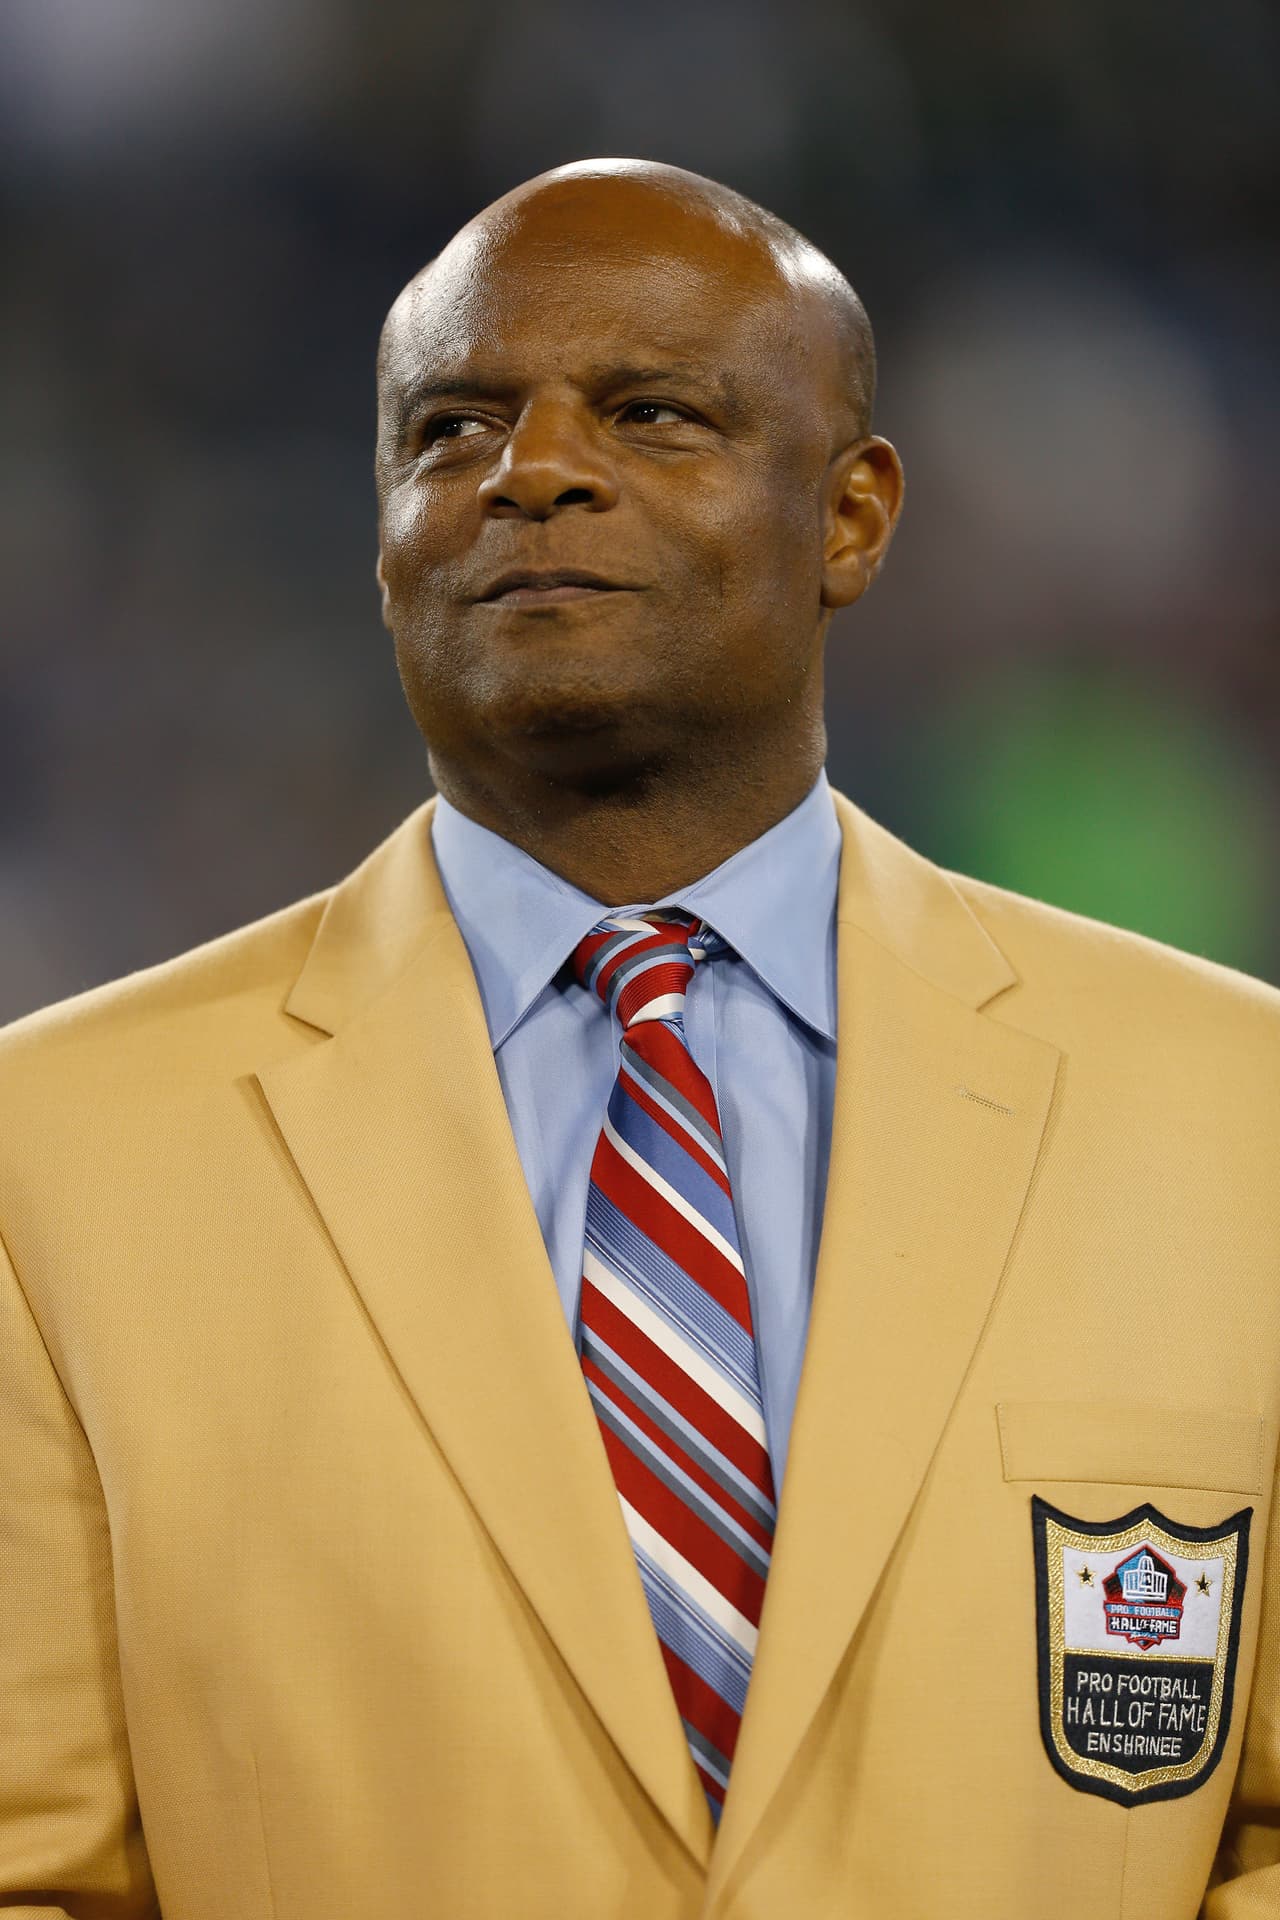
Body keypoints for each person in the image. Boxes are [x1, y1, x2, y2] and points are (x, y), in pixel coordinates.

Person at [0, 158, 1276, 1920]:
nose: (532, 470)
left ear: (851, 516)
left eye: (650, 412)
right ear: (377, 539)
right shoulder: (51, 1148)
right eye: (450, 430)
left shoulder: (1233, 1108)